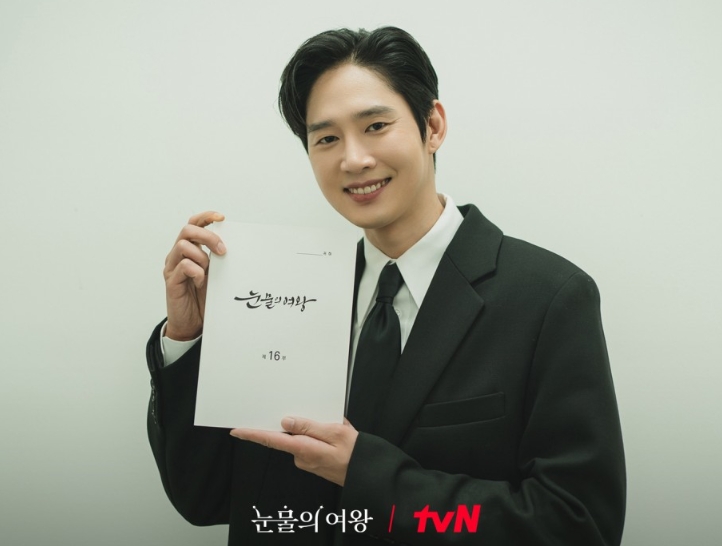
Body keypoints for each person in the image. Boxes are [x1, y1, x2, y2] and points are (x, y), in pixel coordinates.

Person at [147, 26, 626, 545]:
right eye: (326, 138)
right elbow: (205, 497)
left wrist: (369, 475)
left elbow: (575, 525)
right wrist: (188, 338)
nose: (353, 159)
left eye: (375, 126)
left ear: (432, 126)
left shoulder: (549, 298)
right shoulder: (280, 293)